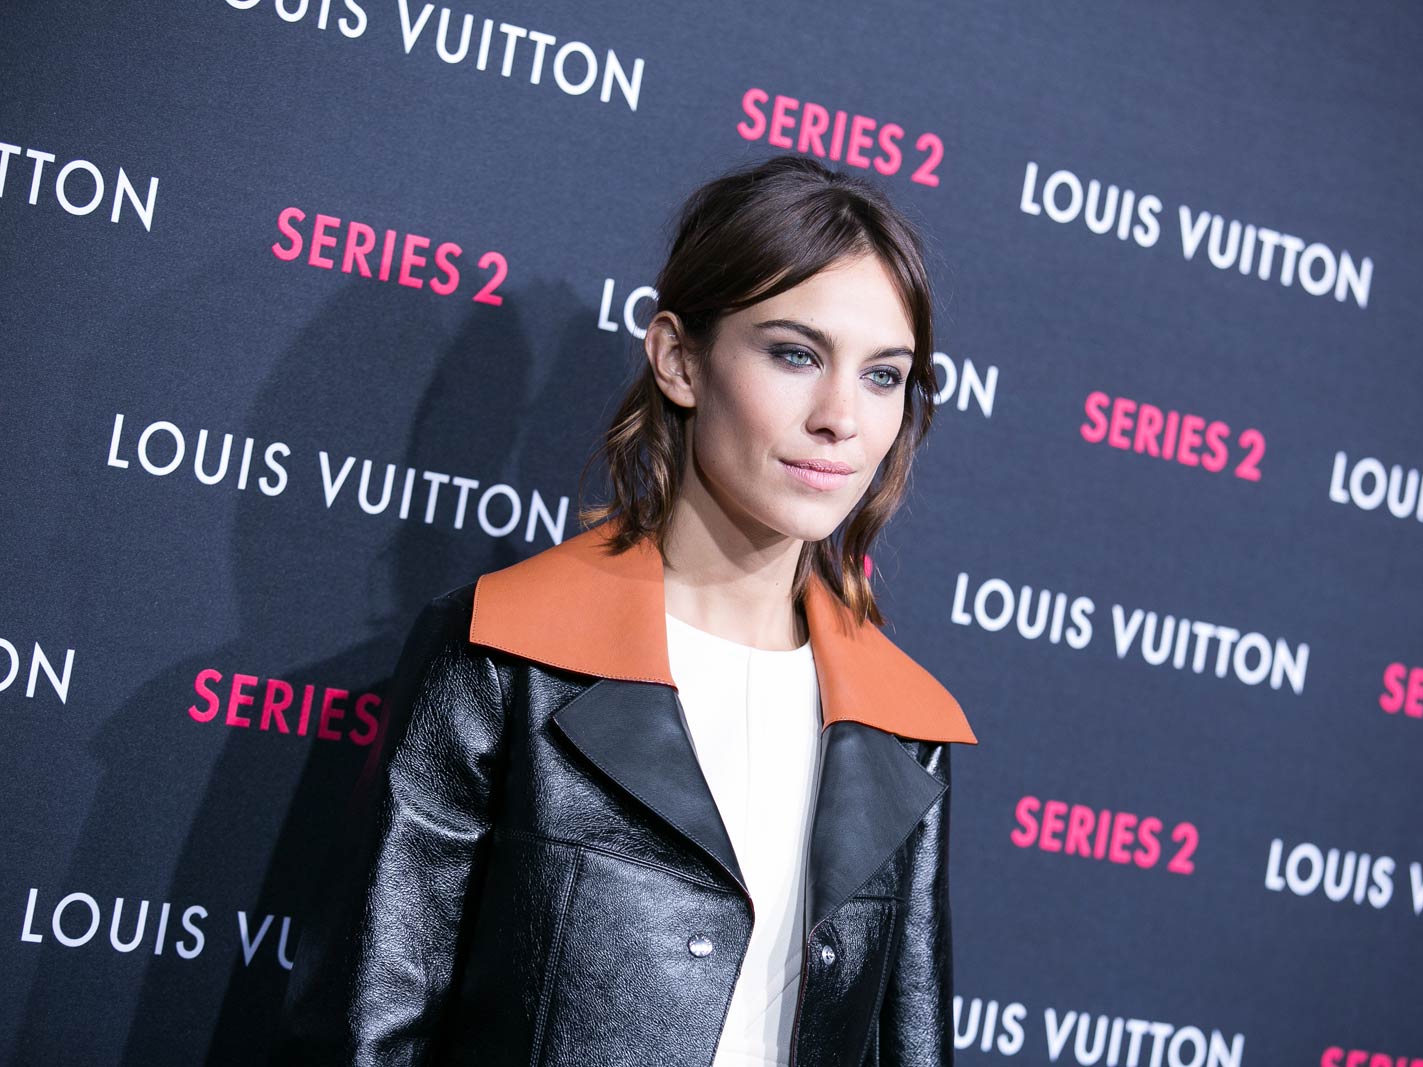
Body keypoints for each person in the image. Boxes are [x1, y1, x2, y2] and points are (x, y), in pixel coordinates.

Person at [274, 153, 978, 1067]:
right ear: (680, 359)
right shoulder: (504, 654)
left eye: (883, 376)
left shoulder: (901, 723)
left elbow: (908, 1046)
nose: (840, 416)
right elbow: (365, 1031)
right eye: (795, 354)